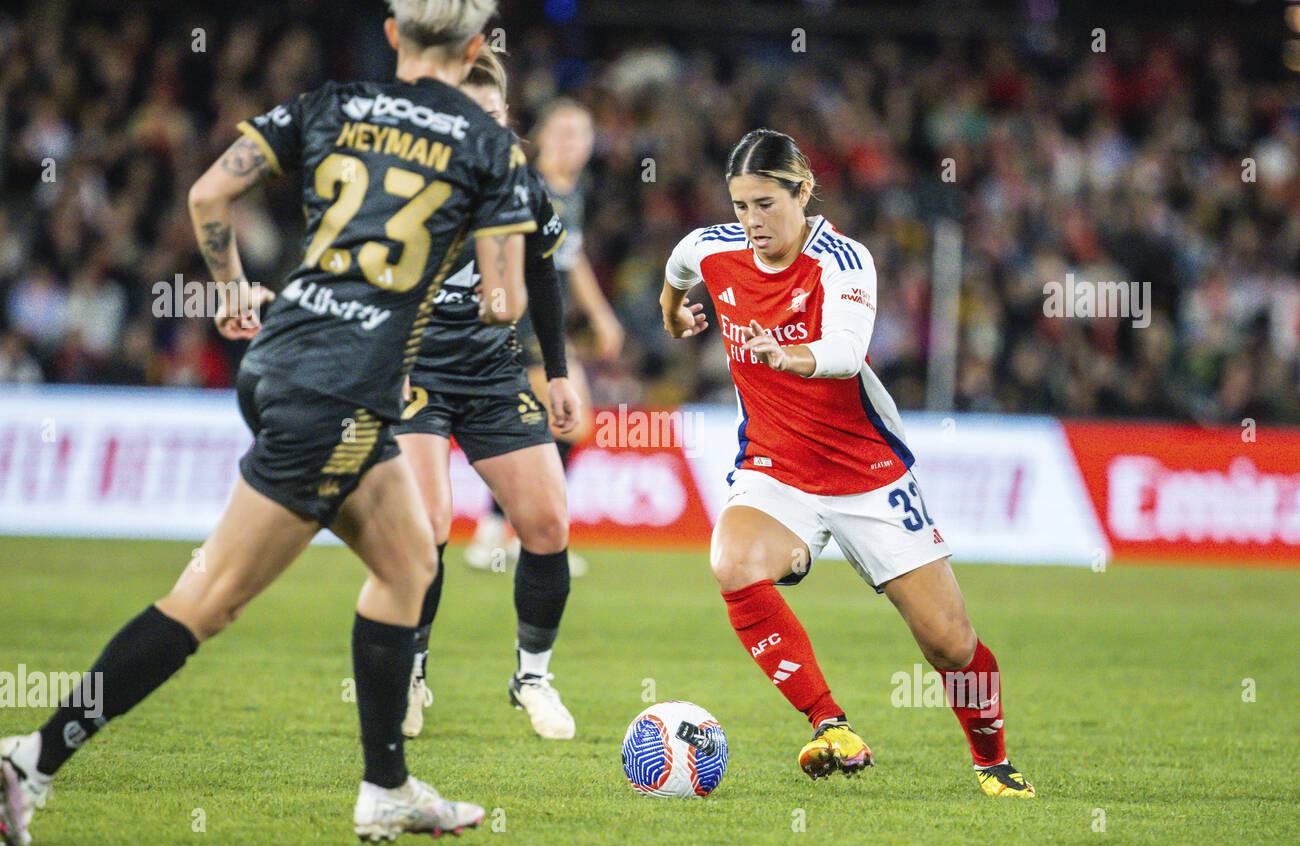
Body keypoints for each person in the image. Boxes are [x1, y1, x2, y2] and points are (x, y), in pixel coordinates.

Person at [0, 0, 539, 846]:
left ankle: (386, 786)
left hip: (281, 358)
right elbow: (504, 302)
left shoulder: (330, 106)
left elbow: (209, 190)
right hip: (337, 392)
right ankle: (29, 758)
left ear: (394, 36)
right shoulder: (491, 149)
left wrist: (227, 289)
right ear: (478, 47)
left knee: (407, 565)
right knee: (207, 599)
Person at [659, 129, 1035, 798]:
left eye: (767, 203)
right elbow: (679, 267)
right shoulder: (713, 248)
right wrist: (672, 312)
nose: (752, 221)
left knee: (949, 642)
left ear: (803, 191)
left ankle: (993, 761)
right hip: (774, 468)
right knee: (732, 561)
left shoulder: (843, 258)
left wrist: (793, 355)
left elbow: (846, 345)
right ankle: (830, 723)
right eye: (741, 205)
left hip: (866, 472)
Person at [395, 46, 579, 741]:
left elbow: (547, 277)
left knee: (548, 523)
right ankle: (411, 672)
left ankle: (532, 676)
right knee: (430, 525)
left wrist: (556, 371)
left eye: (496, 114)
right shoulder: (409, 185)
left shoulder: (522, 187)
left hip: (496, 375)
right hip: (415, 374)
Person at [463, 99, 624, 577]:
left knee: (546, 427)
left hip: (544, 324)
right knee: (567, 423)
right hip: (517, 319)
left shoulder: (574, 191)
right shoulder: (525, 188)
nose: (573, 143)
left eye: (582, 134)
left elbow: (570, 258)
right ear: (542, 138)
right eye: (564, 133)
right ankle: (532, 538)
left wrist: (602, 316)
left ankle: (504, 534)